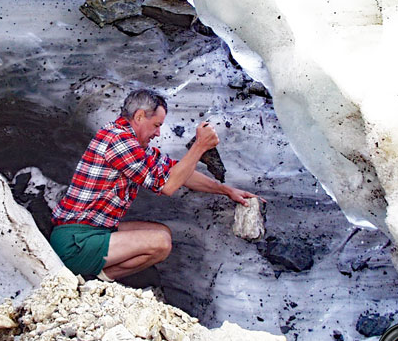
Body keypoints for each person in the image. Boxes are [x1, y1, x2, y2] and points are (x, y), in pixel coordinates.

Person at [50, 89, 256, 281]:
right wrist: (199, 146)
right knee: (160, 243)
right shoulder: (118, 141)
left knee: (163, 232)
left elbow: (177, 172)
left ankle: (97, 277)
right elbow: (168, 186)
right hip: (75, 242)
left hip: (96, 232)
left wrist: (226, 190)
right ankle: (92, 284)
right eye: (156, 125)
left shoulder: (134, 144)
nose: (158, 133)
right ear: (139, 116)